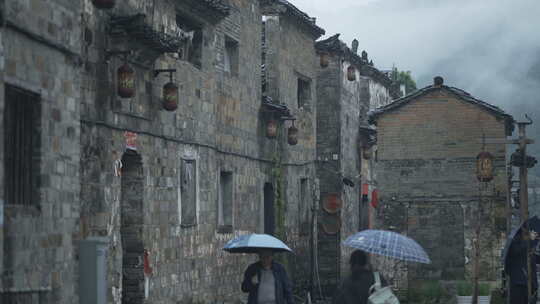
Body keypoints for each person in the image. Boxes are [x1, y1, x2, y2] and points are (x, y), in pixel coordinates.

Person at [507, 229, 540, 304]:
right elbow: (517, 251)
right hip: (519, 284)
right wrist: (531, 240)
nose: (533, 234)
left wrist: (534, 241)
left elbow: (535, 258)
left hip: (531, 285)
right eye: (529, 233)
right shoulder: (514, 243)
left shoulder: (530, 246)